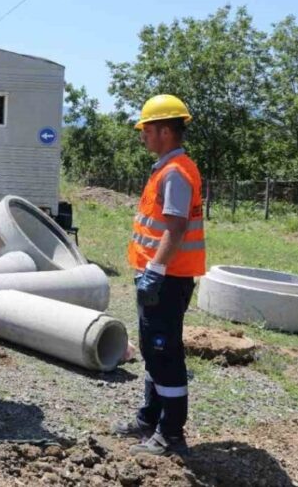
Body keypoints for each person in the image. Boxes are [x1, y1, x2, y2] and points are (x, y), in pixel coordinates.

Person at [113, 94, 206, 457]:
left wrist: (154, 271)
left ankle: (171, 433)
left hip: (167, 280)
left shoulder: (176, 173)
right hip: (159, 277)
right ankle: (148, 419)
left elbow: (176, 228)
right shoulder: (167, 169)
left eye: (147, 130)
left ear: (165, 131)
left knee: (165, 354)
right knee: (153, 351)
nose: (143, 137)